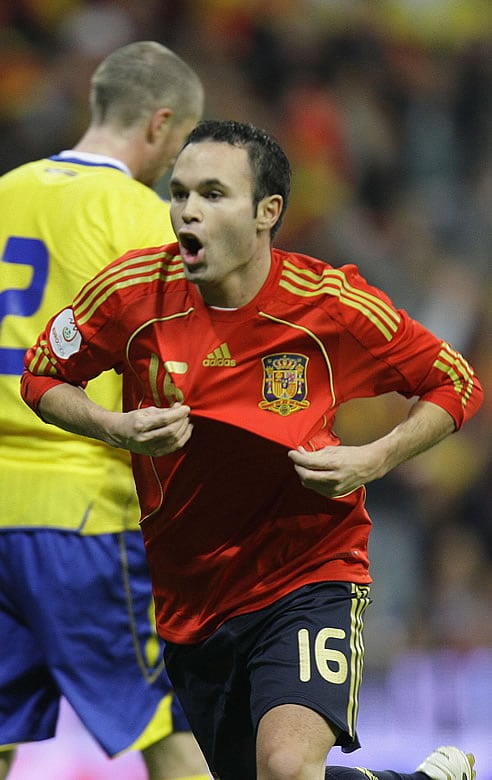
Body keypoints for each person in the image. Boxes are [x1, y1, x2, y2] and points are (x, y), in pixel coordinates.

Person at [20, 120, 483, 780]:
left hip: (308, 574)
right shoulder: (129, 293)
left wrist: (374, 457)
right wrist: (112, 427)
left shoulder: (331, 305)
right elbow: (41, 376)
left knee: (288, 767)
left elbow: (454, 381)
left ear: (268, 213)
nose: (187, 211)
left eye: (213, 193)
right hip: (186, 602)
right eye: (178, 193)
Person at [0, 41, 210, 780]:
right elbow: (178, 380)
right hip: (83, 511)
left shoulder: (5, 192)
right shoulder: (143, 218)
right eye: (183, 144)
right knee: (169, 728)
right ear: (159, 125)